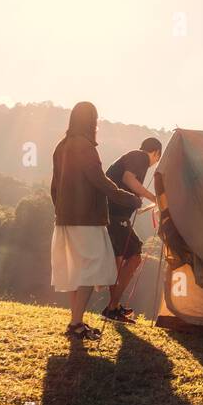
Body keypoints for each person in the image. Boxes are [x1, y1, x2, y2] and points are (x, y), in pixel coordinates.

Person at [50, 102, 140, 341]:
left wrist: (61, 211)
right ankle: (76, 324)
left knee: (75, 271)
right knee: (90, 271)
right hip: (87, 220)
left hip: (65, 218)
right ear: (92, 121)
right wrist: (130, 199)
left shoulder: (61, 146)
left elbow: (54, 185)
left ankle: (76, 321)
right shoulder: (85, 147)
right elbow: (100, 181)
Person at [100, 136, 163, 322]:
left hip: (110, 214)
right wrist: (154, 198)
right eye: (158, 159)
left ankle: (113, 307)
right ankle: (112, 306)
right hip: (116, 216)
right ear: (155, 153)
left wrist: (142, 204)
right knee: (134, 255)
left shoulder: (131, 157)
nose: (155, 163)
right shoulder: (140, 157)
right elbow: (128, 179)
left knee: (118, 261)